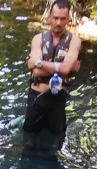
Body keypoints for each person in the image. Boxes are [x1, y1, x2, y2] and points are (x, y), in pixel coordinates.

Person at [23, 0, 81, 158]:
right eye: (55, 18)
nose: (58, 22)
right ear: (49, 17)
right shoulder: (38, 39)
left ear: (68, 19)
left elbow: (64, 69)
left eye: (63, 18)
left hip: (57, 97)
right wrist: (62, 67)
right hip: (36, 96)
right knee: (28, 140)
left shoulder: (74, 41)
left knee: (56, 143)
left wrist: (40, 63)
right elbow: (37, 72)